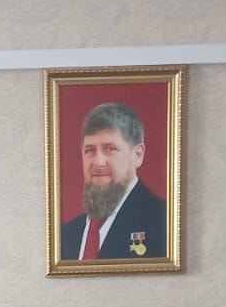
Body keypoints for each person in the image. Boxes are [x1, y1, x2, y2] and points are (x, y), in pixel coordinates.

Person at [58, 101, 167, 261]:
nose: (98, 162)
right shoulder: (65, 235)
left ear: (138, 155)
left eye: (110, 149)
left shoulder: (164, 223)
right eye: (90, 150)